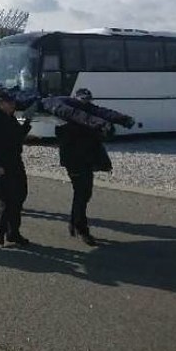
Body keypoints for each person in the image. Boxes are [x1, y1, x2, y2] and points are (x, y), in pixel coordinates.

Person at [55, 88, 110, 246]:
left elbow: (97, 140)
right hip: (75, 162)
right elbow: (66, 139)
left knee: (83, 194)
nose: (86, 104)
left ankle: (74, 223)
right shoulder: (68, 120)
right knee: (82, 193)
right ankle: (81, 228)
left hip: (84, 161)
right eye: (83, 101)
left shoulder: (85, 119)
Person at [0, 88, 31, 246]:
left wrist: (27, 124)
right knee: (7, 200)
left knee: (19, 197)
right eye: (10, 103)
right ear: (1, 104)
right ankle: (1, 231)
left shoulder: (8, 118)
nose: (13, 105)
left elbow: (16, 136)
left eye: (13, 103)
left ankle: (13, 232)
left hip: (14, 162)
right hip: (1, 166)